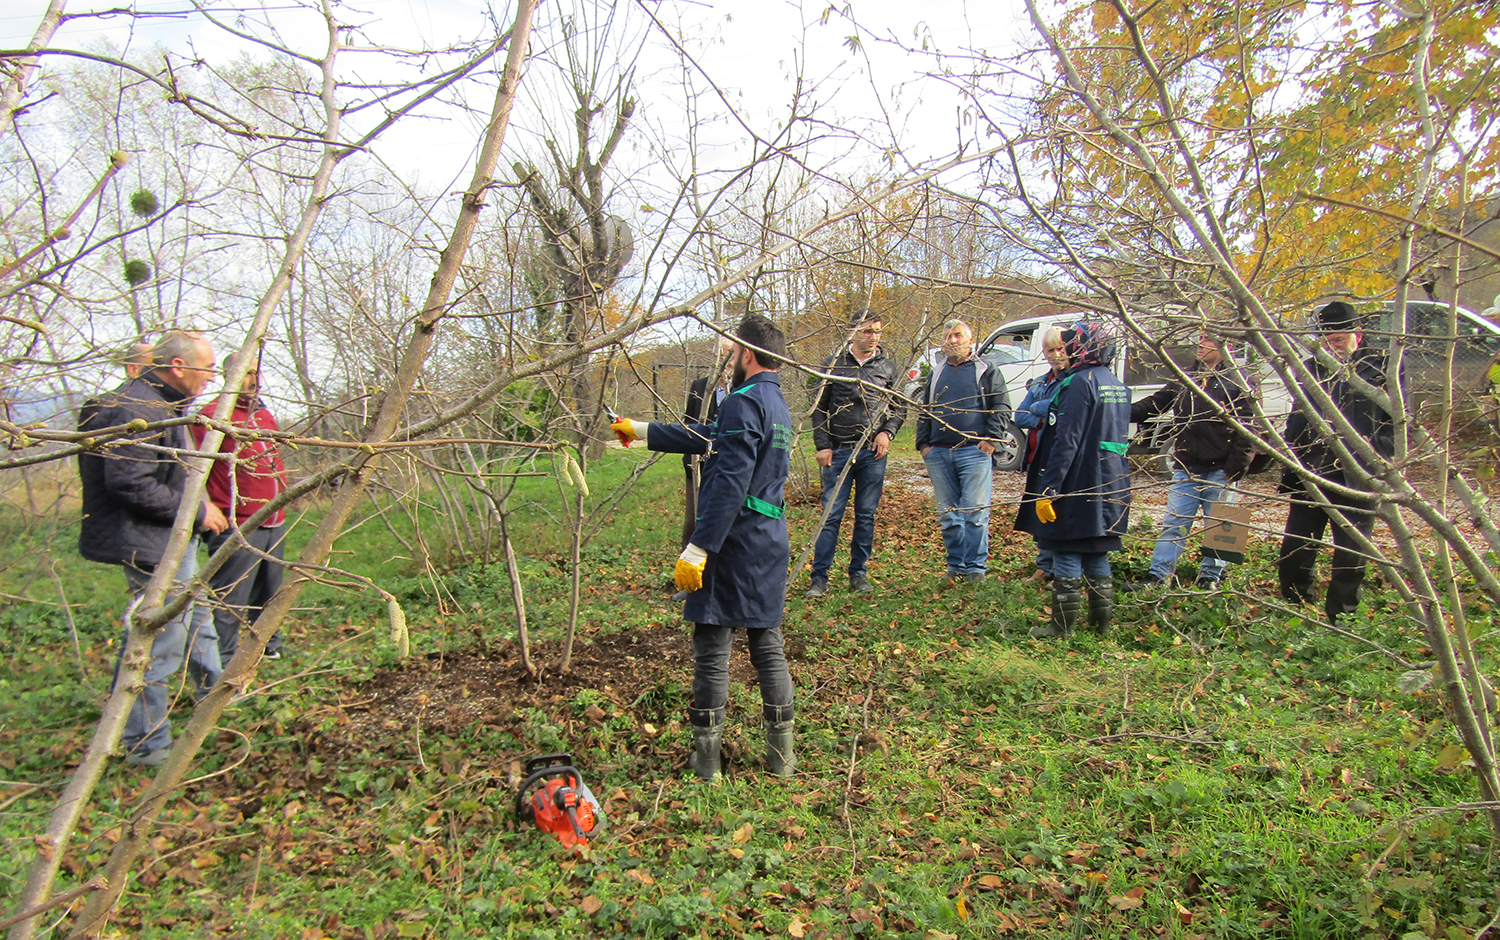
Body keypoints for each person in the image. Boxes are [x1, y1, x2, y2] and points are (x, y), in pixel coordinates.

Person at [610, 314, 796, 781]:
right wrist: (643, 429)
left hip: (732, 544)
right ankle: (782, 760)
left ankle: (707, 762)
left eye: (733, 352)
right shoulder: (775, 403)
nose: (731, 360)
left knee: (713, 648)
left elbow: (730, 481)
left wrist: (699, 548)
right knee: (766, 645)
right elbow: (708, 439)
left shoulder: (740, 402)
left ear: (746, 353)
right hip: (768, 541)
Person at [78, 331, 229, 765]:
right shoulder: (134, 407)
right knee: (159, 639)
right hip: (149, 544)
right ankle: (146, 744)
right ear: (179, 366)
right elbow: (130, 482)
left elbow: (173, 472)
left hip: (171, 538)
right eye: (207, 368)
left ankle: (215, 696)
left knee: (199, 620)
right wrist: (197, 514)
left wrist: (201, 504)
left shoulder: (166, 405)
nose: (213, 376)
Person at [1278, 301, 1397, 622]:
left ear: (1357, 332)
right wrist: (1291, 458)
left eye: (1340, 333)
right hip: (1313, 475)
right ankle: (1296, 607)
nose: (1333, 339)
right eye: (1327, 334)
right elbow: (1296, 418)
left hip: (1358, 477)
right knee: (1295, 550)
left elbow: (1399, 425)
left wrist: (1377, 457)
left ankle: (1340, 618)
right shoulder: (1311, 368)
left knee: (1351, 554)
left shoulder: (1382, 366)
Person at [1015, 321, 1132, 638]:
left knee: (1066, 550)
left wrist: (1050, 488)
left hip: (1077, 481)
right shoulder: (1117, 384)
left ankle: (1061, 628)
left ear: (1084, 347)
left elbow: (1067, 441)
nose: (1065, 350)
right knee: (1096, 550)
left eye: (1069, 344)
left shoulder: (1078, 383)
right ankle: (1100, 627)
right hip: (1111, 481)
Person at [1127, 330, 1256, 590]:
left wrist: (1235, 469)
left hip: (1222, 470)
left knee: (1224, 527)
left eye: (1209, 338)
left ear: (1226, 343)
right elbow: (1156, 403)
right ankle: (1157, 576)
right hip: (1186, 467)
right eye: (1200, 338)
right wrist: (1116, 407)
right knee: (1173, 524)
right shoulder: (1186, 376)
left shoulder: (1240, 381)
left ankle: (1212, 578)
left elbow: (1250, 429)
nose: (1201, 344)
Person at [192, 357, 291, 663]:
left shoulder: (263, 415)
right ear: (229, 376)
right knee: (230, 598)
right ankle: (221, 660)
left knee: (270, 592)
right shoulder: (212, 416)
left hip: (275, 520)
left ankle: (266, 645)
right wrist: (203, 508)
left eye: (257, 372)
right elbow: (194, 470)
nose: (254, 379)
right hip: (239, 524)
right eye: (247, 373)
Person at [806, 309, 905, 597]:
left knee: (866, 515)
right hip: (837, 451)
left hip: (872, 454)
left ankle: (858, 574)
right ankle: (819, 577)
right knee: (830, 515)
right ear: (853, 332)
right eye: (867, 331)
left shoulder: (887, 367)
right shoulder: (833, 364)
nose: (873, 337)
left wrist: (888, 432)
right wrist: (822, 445)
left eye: (877, 331)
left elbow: (899, 407)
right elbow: (819, 408)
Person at [915, 319, 1008, 583]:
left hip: (974, 452)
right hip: (939, 453)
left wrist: (991, 440)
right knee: (949, 515)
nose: (952, 340)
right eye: (947, 336)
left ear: (970, 341)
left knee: (975, 513)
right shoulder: (937, 372)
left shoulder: (986, 370)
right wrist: (924, 445)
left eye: (958, 335)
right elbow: (925, 408)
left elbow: (1001, 406)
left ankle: (976, 569)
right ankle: (955, 566)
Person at [1011, 326, 1070, 583]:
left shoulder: (1073, 381)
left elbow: (1062, 410)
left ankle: (1062, 570)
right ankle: (1044, 567)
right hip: (1037, 459)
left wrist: (1040, 408)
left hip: (1060, 457)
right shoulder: (1039, 382)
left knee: (1059, 513)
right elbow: (1019, 416)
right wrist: (1043, 416)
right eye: (1050, 350)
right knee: (1039, 513)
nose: (1056, 355)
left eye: (1061, 349)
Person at [681, 338, 734, 549]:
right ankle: (688, 563)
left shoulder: (743, 389)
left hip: (726, 467)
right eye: (723, 355)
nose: (727, 361)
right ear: (715, 357)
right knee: (693, 518)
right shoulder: (700, 386)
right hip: (698, 466)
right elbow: (688, 424)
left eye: (731, 355)